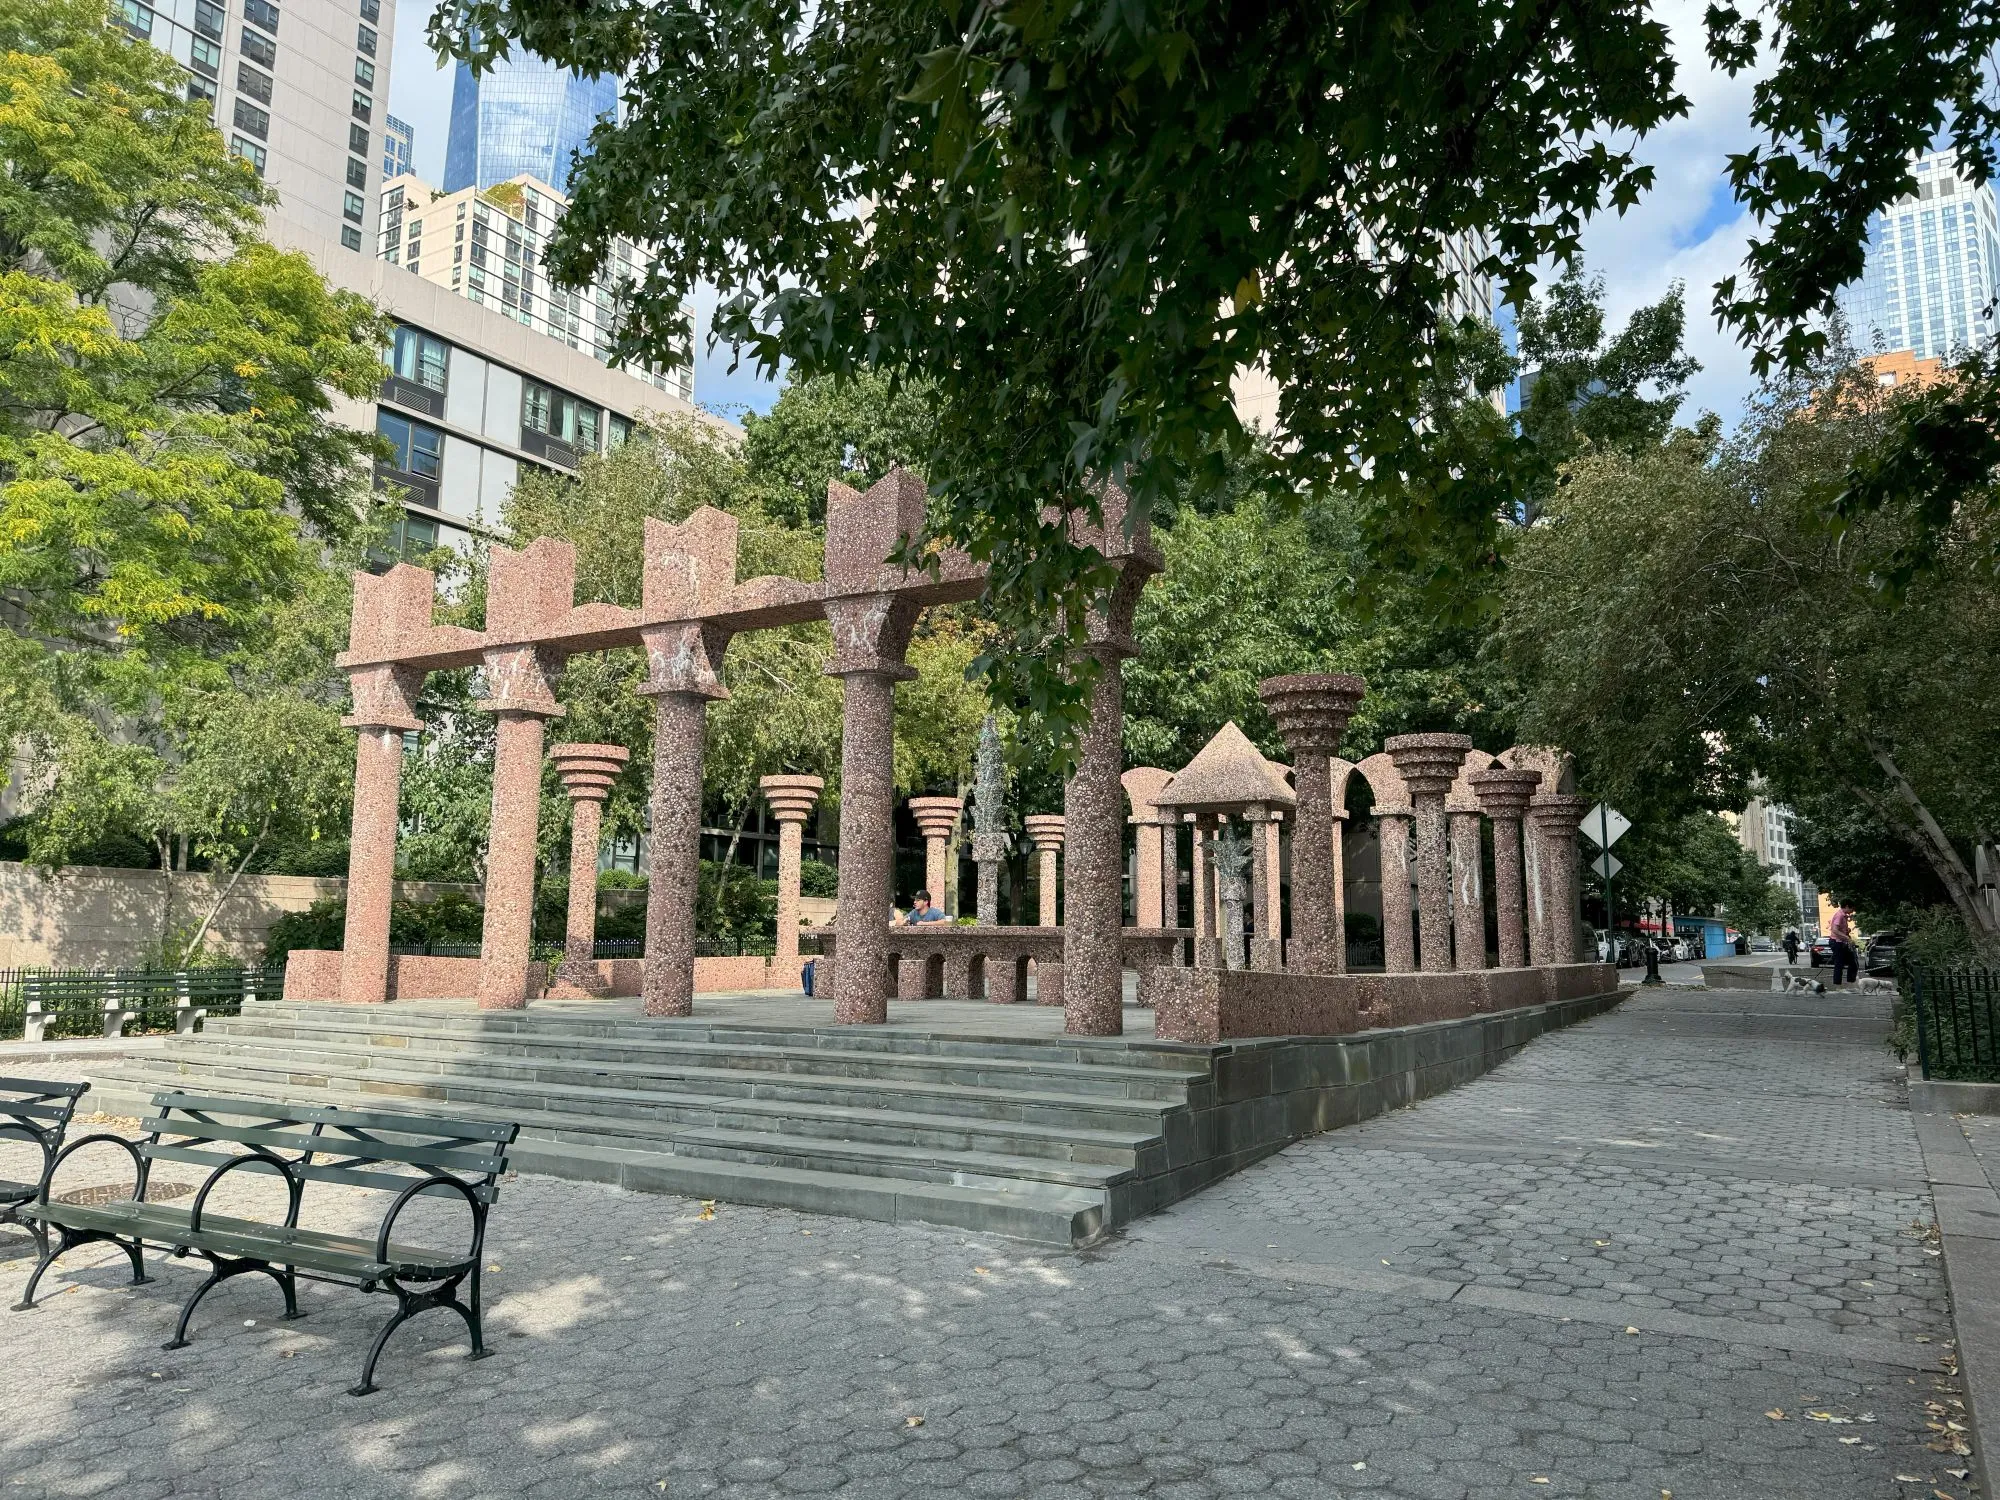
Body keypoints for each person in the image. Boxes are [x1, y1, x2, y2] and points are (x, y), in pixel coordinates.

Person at [1827, 900, 1859, 986]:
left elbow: (1839, 929)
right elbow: (1834, 930)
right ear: (1847, 906)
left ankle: (1851, 981)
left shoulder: (1844, 916)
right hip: (1837, 942)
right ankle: (1837, 984)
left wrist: (1846, 931)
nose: (1853, 911)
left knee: (1853, 962)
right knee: (1839, 963)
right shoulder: (1839, 915)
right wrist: (1847, 938)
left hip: (1842, 942)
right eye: (1852, 908)